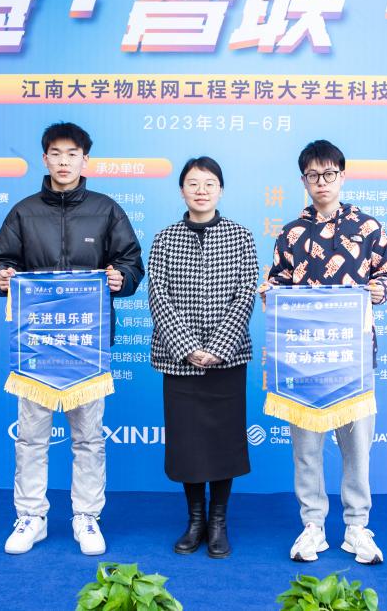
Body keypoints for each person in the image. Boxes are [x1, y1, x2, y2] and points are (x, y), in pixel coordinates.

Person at [0, 122, 145, 556]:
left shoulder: (106, 210)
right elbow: (0, 262)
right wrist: (2, 277)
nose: (63, 161)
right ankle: (31, 517)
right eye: (55, 153)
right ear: (45, 159)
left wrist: (122, 277)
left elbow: (131, 262)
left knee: (89, 437)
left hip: (86, 342)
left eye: (72, 154)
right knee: (31, 437)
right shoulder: (23, 212)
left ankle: (86, 516)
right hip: (36, 344)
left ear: (84, 159)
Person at [262, 140, 387, 565]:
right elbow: (278, 282)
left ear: (342, 175)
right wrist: (270, 293)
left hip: (353, 358)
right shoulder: (291, 233)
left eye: (329, 173)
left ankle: (357, 527)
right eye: (313, 175)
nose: (322, 182)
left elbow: (386, 276)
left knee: (357, 450)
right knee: (306, 450)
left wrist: (380, 290)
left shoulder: (368, 228)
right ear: (303, 180)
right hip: (304, 360)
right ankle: (313, 525)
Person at [147, 156, 258, 559]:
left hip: (227, 360)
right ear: (182, 190)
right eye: (193, 183)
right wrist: (188, 347)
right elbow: (157, 296)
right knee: (188, 444)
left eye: (210, 183)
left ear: (220, 190)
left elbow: (246, 294)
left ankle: (219, 521)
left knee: (223, 443)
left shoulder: (241, 236)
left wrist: (217, 348)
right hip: (179, 360)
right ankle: (195, 520)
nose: (201, 190)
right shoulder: (164, 239)